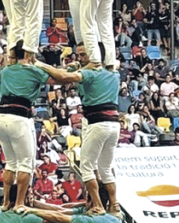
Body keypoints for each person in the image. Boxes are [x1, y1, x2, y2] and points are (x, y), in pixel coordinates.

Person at [37, 54, 120, 214]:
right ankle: (114, 205)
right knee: (106, 168)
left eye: (84, 54)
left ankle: (97, 205)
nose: (80, 57)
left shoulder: (90, 73)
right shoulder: (113, 73)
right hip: (114, 124)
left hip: (97, 121)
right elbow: (115, 62)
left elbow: (62, 76)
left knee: (86, 166)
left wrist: (39, 63)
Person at [0, 57, 49, 210]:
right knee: (25, 164)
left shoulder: (6, 70)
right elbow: (56, 79)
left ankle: (6, 202)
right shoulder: (32, 71)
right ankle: (19, 202)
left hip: (1, 116)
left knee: (11, 163)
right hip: (19, 116)